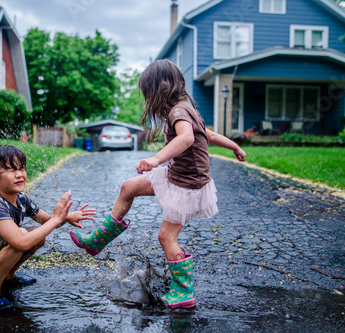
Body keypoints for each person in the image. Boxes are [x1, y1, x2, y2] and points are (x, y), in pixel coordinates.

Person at [70, 59, 246, 309]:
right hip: (175, 176)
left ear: (161, 88)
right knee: (128, 187)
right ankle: (97, 241)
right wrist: (235, 146)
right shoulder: (185, 108)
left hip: (187, 185)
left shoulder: (179, 111)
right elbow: (208, 134)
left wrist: (156, 159)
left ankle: (184, 291)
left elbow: (186, 138)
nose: (148, 100)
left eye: (148, 93)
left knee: (166, 237)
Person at [0, 145, 96, 312]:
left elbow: (46, 222)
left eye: (21, 168)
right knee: (20, 236)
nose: (20, 174)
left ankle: (7, 277)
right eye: (11, 170)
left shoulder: (21, 199)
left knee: (36, 235)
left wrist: (65, 217)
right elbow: (20, 242)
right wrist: (56, 219)